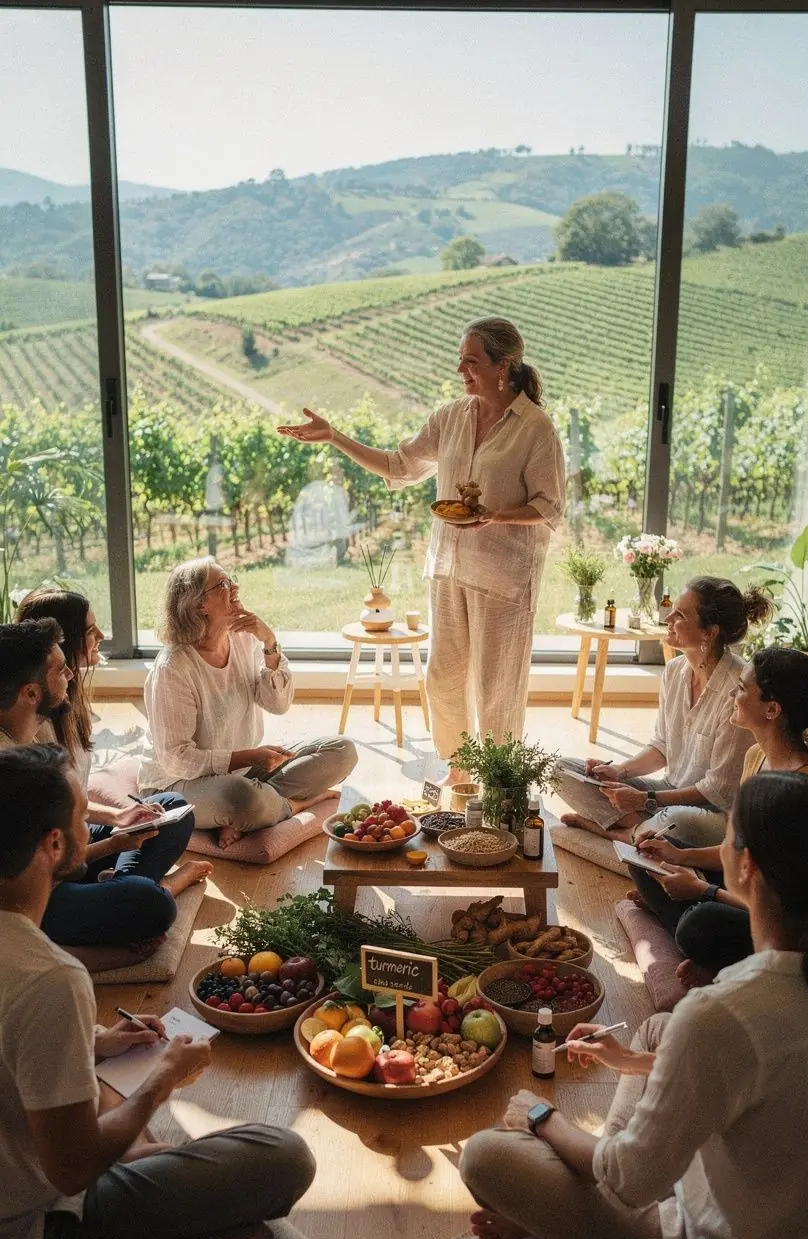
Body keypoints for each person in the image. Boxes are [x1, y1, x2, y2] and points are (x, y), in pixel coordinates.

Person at [461, 771, 808, 1239]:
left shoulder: (726, 1012)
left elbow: (630, 1181)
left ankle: (562, 1223)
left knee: (486, 1155)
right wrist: (629, 1063)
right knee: (653, 1032)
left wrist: (538, 1115)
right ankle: (591, 1184)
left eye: (727, 839)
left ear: (744, 867)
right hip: (787, 1238)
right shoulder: (771, 994)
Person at [0, 745, 316, 1239]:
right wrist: (162, 1080)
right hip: (29, 1232)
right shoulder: (52, 978)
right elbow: (73, 1168)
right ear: (53, 843)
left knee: (106, 1094)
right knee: (283, 1157)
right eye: (81, 817)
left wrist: (97, 1042)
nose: (90, 828)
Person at [278, 317, 565, 777]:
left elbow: (550, 507)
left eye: (471, 361)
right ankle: (460, 771)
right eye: (460, 360)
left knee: (497, 689)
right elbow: (399, 464)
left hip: (504, 577)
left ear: (502, 365)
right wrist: (334, 436)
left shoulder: (535, 429)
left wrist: (496, 515)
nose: (460, 370)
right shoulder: (452, 417)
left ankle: (497, 780)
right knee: (444, 680)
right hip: (451, 567)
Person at [0, 620, 207, 959]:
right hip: (34, 896)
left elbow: (65, 815)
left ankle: (115, 891)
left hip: (63, 852)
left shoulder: (35, 727)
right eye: (60, 669)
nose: (70, 674)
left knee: (170, 808)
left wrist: (120, 818)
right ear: (31, 693)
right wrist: (113, 843)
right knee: (150, 903)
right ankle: (151, 890)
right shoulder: (9, 769)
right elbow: (44, 865)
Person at [138, 558, 357, 850]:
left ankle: (248, 811)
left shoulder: (243, 640)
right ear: (199, 604)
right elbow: (176, 759)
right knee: (241, 798)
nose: (235, 586)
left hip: (240, 774)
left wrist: (269, 642)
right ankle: (295, 804)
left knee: (342, 750)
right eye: (224, 584)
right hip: (175, 784)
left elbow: (278, 705)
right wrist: (248, 757)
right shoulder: (172, 668)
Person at [631, 647, 808, 985]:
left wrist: (704, 890)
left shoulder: (802, 787)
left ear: (773, 709)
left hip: (786, 924)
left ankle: (701, 948)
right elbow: (738, 852)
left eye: (743, 689)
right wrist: (679, 855)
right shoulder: (755, 756)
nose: (734, 694)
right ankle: (700, 945)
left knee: (698, 923)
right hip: (747, 888)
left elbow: (781, 907)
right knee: (647, 854)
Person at [552, 577, 774, 845]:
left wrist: (644, 800)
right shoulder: (674, 671)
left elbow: (718, 791)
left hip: (709, 813)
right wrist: (620, 772)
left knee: (678, 821)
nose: (667, 617)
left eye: (679, 614)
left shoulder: (738, 690)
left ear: (709, 632)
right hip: (666, 794)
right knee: (563, 770)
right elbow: (661, 747)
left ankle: (619, 832)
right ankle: (644, 836)